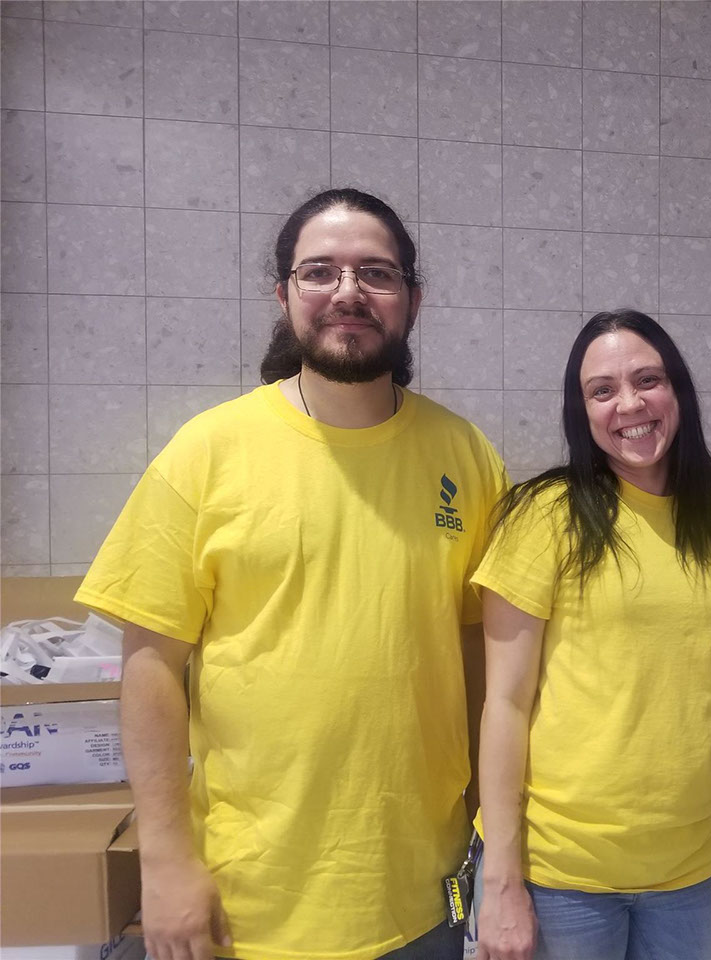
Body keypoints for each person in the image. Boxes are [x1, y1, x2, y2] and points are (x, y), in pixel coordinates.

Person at [75, 189, 507, 960]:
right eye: (320, 272)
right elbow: (149, 669)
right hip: (253, 905)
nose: (348, 291)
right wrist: (166, 863)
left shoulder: (466, 457)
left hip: (426, 898)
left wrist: (496, 843)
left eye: (376, 272)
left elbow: (484, 662)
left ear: (413, 298)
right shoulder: (206, 452)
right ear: (284, 296)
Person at [471, 310, 711, 960]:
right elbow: (505, 703)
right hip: (559, 872)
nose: (629, 404)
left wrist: (696, 733)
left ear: (676, 391)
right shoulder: (543, 516)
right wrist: (502, 880)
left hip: (693, 867)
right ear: (583, 411)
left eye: (647, 380)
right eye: (602, 390)